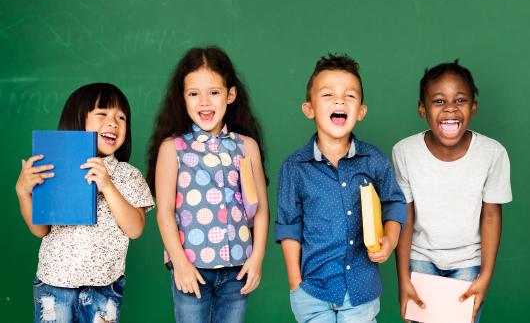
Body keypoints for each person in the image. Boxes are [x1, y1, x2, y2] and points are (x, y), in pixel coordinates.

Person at [276, 54, 407, 323]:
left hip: (362, 289)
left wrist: (390, 241)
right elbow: (289, 226)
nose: (339, 101)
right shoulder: (294, 167)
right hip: (312, 289)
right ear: (309, 108)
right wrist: (295, 284)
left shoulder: (373, 160)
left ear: (360, 111)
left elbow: (394, 204)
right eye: (328, 95)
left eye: (350, 96)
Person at [147, 46, 269, 323]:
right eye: (194, 94)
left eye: (213, 92)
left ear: (231, 95)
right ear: (183, 98)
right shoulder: (173, 148)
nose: (204, 102)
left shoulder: (246, 146)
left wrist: (257, 258)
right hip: (192, 267)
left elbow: (260, 208)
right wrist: (179, 263)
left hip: (238, 268)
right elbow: (164, 210)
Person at [15, 83, 154, 323]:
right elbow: (40, 230)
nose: (113, 122)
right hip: (54, 284)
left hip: (104, 287)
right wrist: (23, 193)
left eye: (121, 117)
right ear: (78, 119)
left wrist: (108, 186)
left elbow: (135, 229)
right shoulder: (55, 168)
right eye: (102, 114)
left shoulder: (128, 175)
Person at [393, 60, 512, 322]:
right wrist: (403, 278)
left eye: (460, 101)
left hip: (468, 261)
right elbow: (405, 216)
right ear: (422, 109)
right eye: (438, 101)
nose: (449, 108)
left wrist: (486, 276)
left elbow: (491, 216)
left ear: (473, 107)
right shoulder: (404, 152)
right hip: (421, 258)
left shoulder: (493, 154)